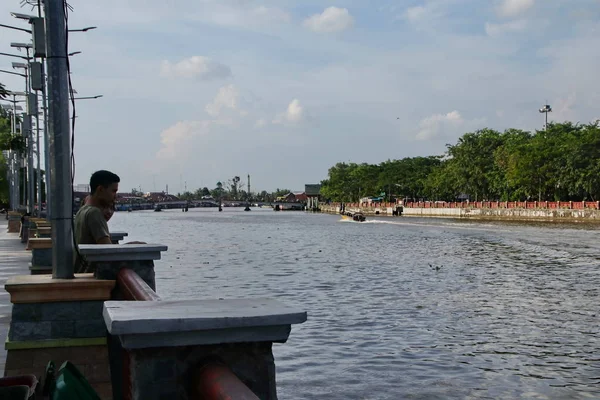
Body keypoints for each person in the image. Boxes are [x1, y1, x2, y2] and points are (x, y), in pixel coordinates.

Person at [74, 170, 120, 246]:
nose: (115, 196)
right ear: (100, 189)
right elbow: (108, 251)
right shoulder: (94, 213)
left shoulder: (82, 211)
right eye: (113, 191)